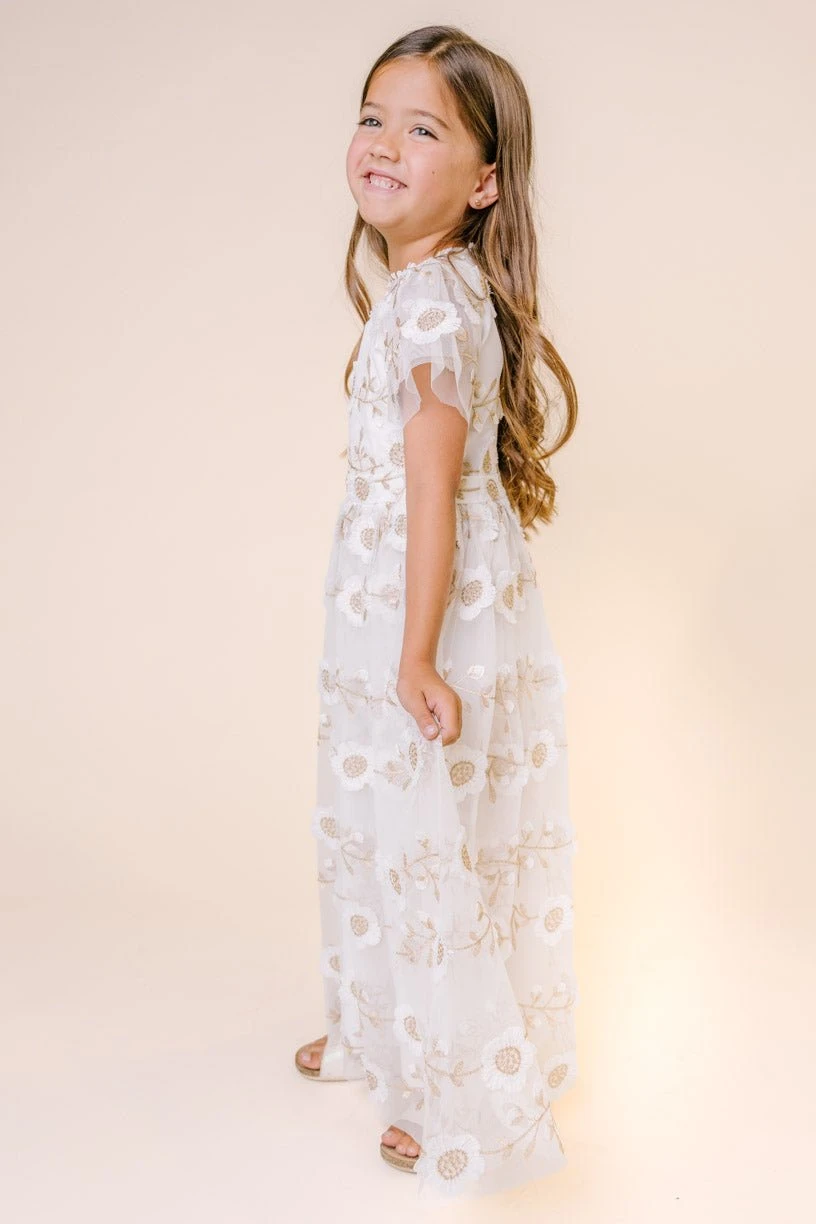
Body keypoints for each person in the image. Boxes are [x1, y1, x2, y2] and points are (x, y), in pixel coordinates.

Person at [295, 24, 580, 1202]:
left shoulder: (423, 308)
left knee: (415, 828)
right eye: (373, 117)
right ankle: (383, 1027)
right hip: (449, 591)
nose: (383, 143)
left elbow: (430, 484)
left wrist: (414, 653)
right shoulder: (445, 290)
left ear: (484, 182)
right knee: (423, 821)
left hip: (422, 603)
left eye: (423, 129)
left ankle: (445, 1091)